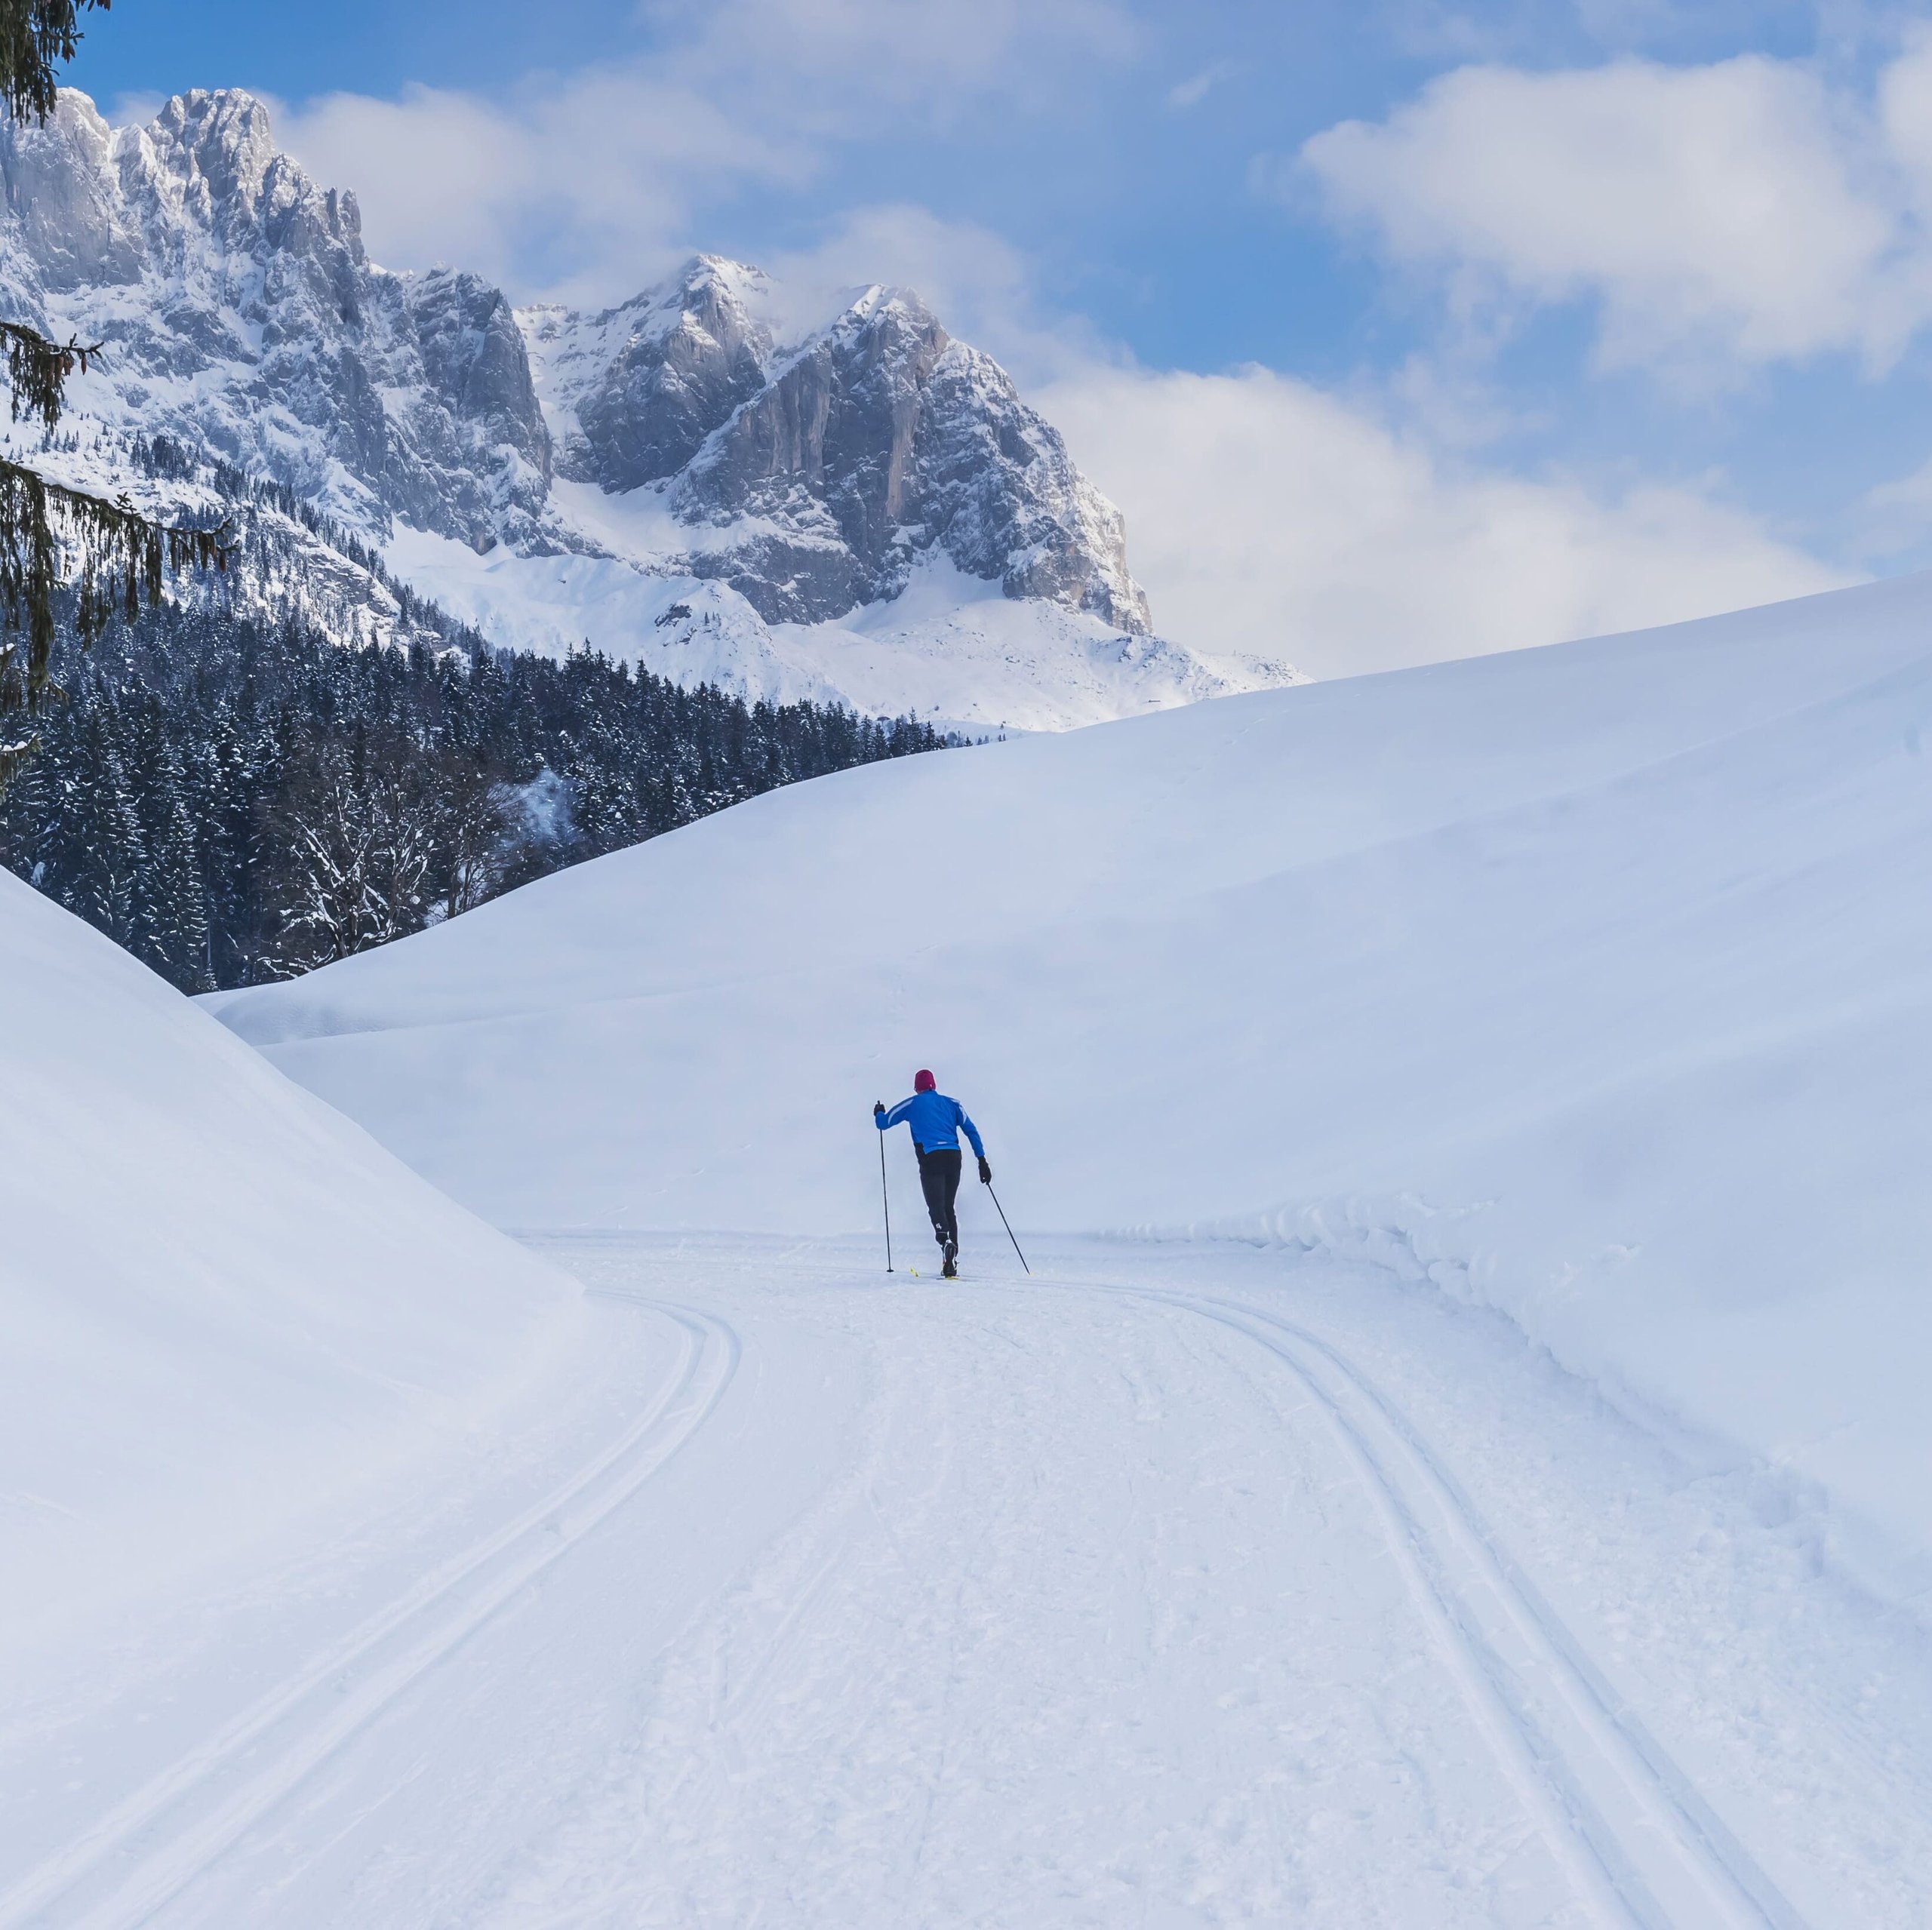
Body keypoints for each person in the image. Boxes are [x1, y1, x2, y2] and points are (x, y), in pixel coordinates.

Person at [875, 1070, 990, 1279]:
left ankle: (945, 1241)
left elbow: (884, 1123)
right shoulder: (953, 1104)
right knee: (949, 1207)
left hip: (931, 1158)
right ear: (934, 1086)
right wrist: (982, 1160)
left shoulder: (911, 1104)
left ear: (917, 1088)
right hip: (954, 1157)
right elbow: (971, 1130)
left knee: (935, 1207)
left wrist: (879, 1112)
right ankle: (951, 1260)